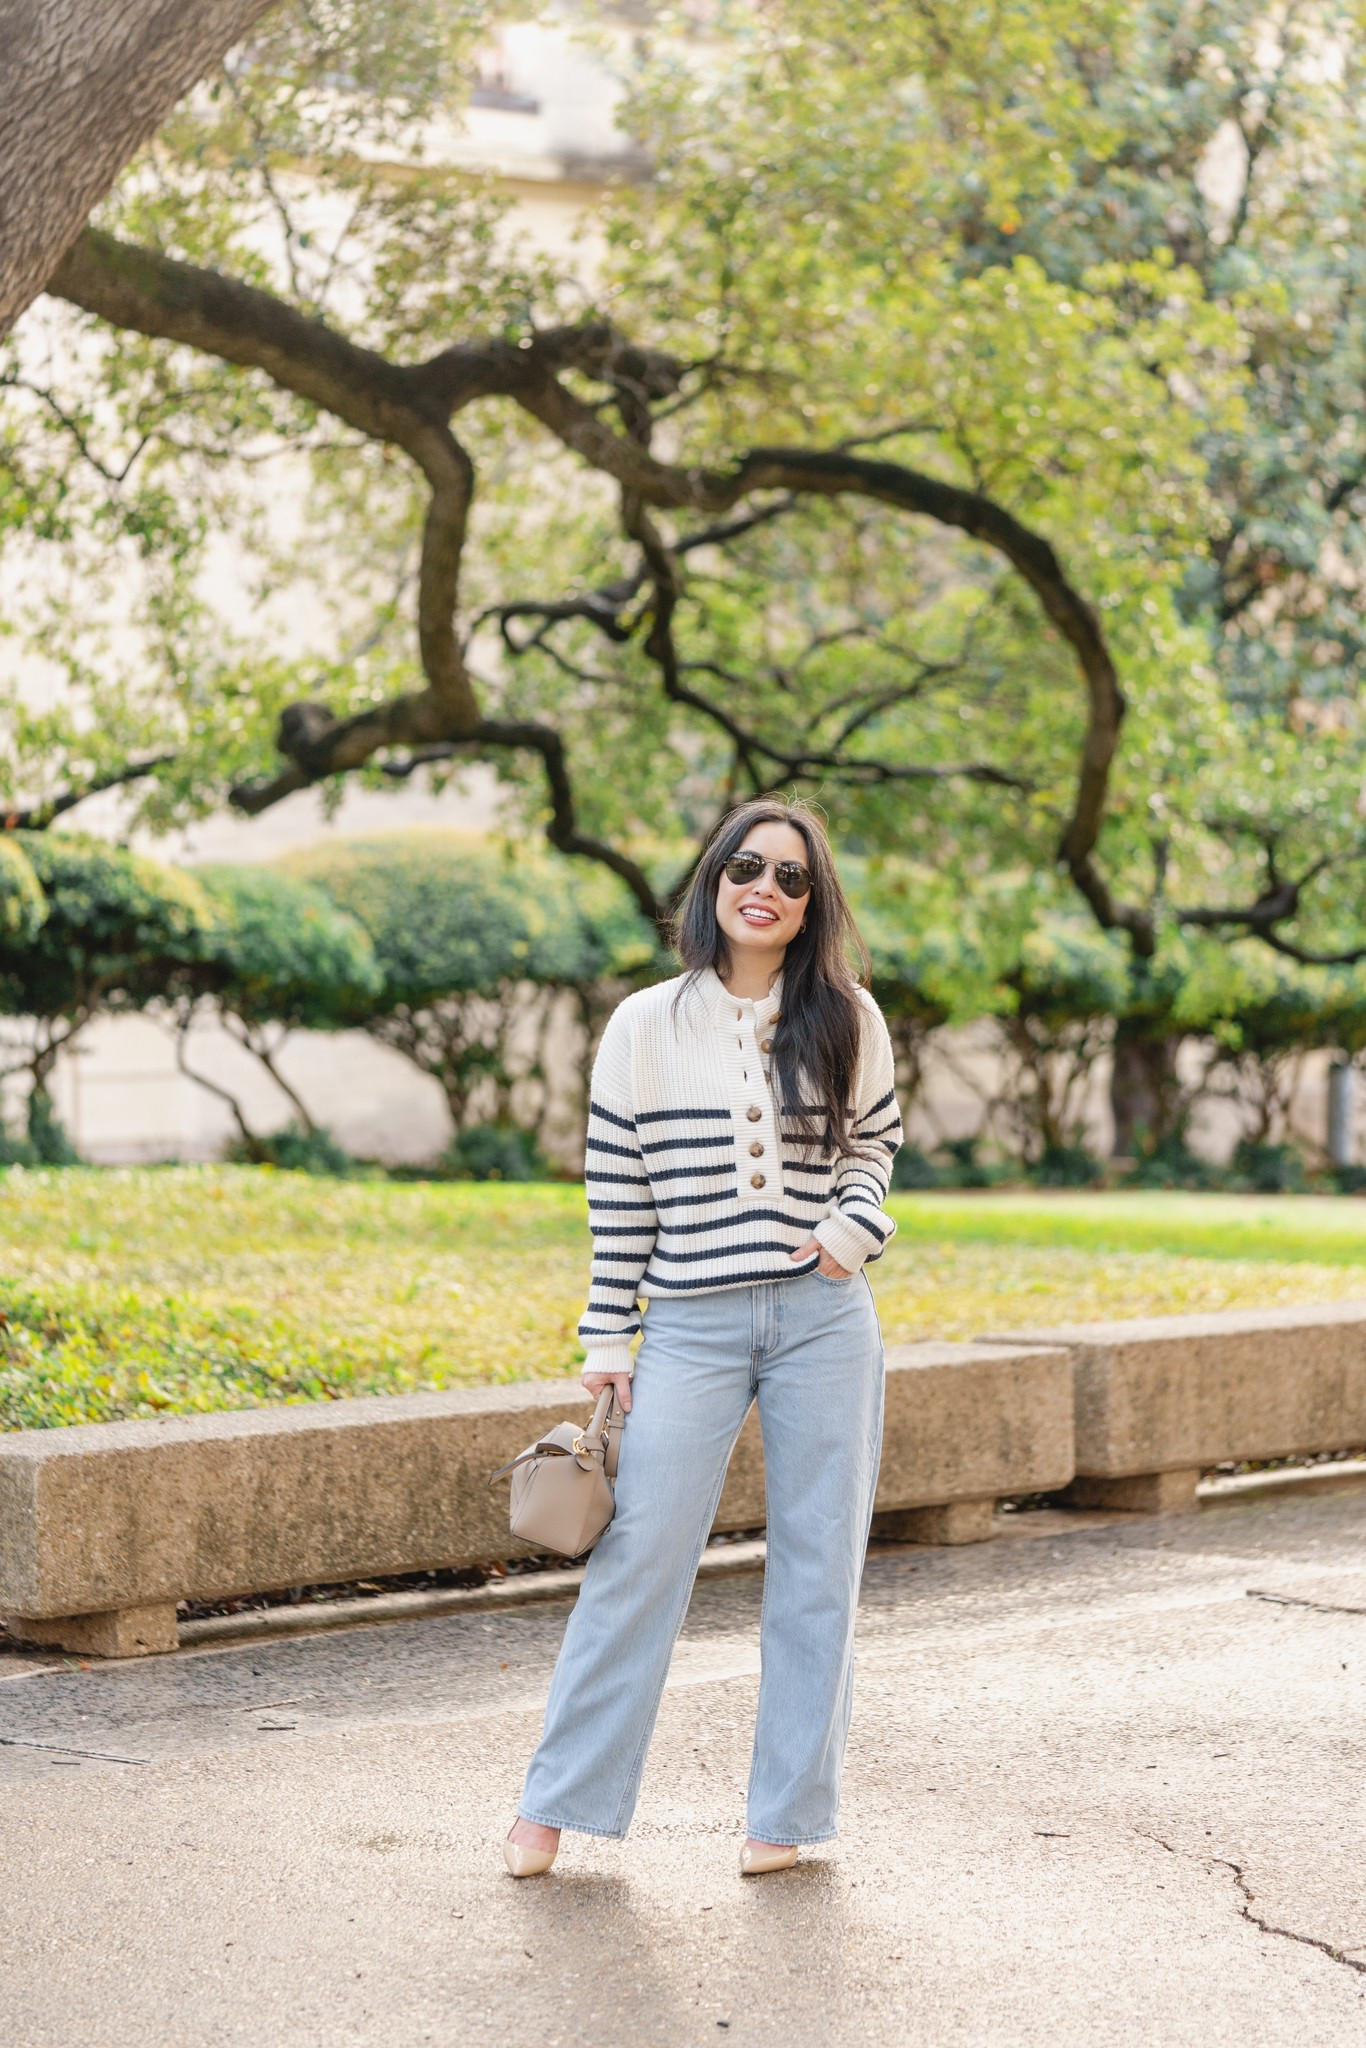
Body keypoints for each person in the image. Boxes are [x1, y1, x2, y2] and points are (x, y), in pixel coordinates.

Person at [504, 798, 902, 1877]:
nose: (762, 887)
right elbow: (619, 1194)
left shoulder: (849, 1016)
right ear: (713, 882)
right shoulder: (643, 1023)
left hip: (824, 1317)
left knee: (820, 1564)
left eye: (789, 875)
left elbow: (875, 1141)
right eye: (744, 866)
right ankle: (555, 1799)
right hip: (688, 1322)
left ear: (812, 903)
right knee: (637, 1556)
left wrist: (849, 1230)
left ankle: (786, 1817)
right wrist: (608, 1334)